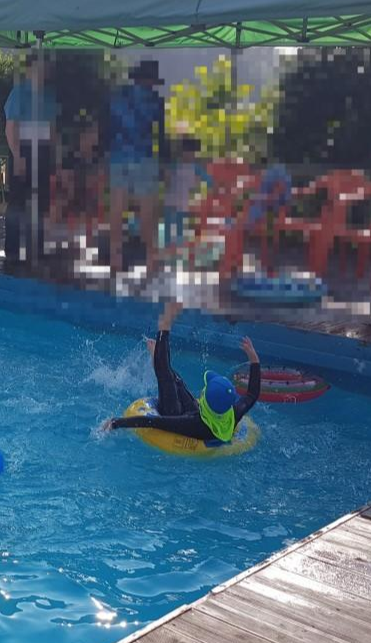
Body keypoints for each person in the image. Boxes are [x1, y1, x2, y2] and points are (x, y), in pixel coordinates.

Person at [101, 302, 261, 443]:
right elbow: (252, 395)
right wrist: (254, 359)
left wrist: (116, 423)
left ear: (206, 399)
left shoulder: (192, 424)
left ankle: (164, 328)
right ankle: (158, 353)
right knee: (176, 379)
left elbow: (153, 422)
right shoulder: (232, 415)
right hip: (198, 413)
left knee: (165, 375)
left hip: (176, 415)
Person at [108, 60, 166, 275]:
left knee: (117, 209)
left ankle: (115, 258)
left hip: (119, 157)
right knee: (147, 212)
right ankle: (151, 260)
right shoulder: (156, 101)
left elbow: (107, 128)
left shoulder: (117, 97)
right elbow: (161, 136)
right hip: (144, 159)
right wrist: (164, 164)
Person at [4, 52, 57, 265]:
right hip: (23, 150)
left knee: (41, 202)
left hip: (42, 151)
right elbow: (11, 128)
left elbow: (52, 128)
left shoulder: (49, 95)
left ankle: (38, 249)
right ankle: (13, 251)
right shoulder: (19, 93)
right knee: (18, 202)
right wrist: (17, 156)